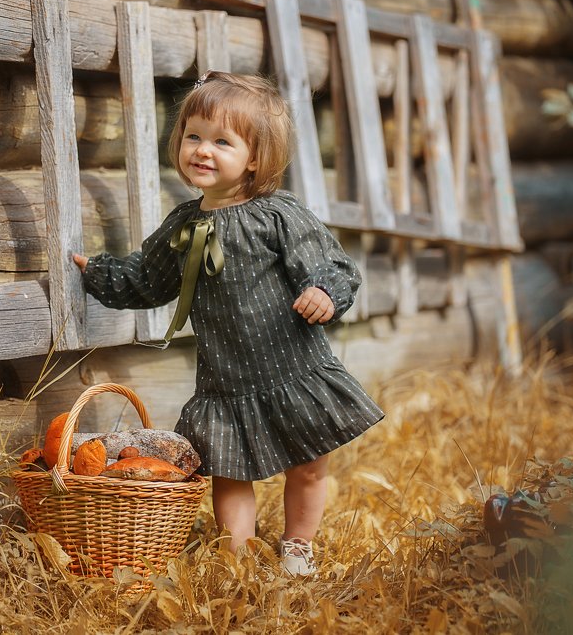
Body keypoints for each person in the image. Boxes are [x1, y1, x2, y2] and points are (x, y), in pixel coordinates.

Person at [71, 71, 384, 577]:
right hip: (226, 378)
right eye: (193, 135)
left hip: (291, 366)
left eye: (222, 141)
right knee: (231, 474)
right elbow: (149, 280)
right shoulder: (183, 225)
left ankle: (298, 545)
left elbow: (333, 264)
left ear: (255, 158)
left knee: (308, 464)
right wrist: (98, 272)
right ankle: (237, 559)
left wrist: (325, 292)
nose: (202, 150)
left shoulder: (277, 215)